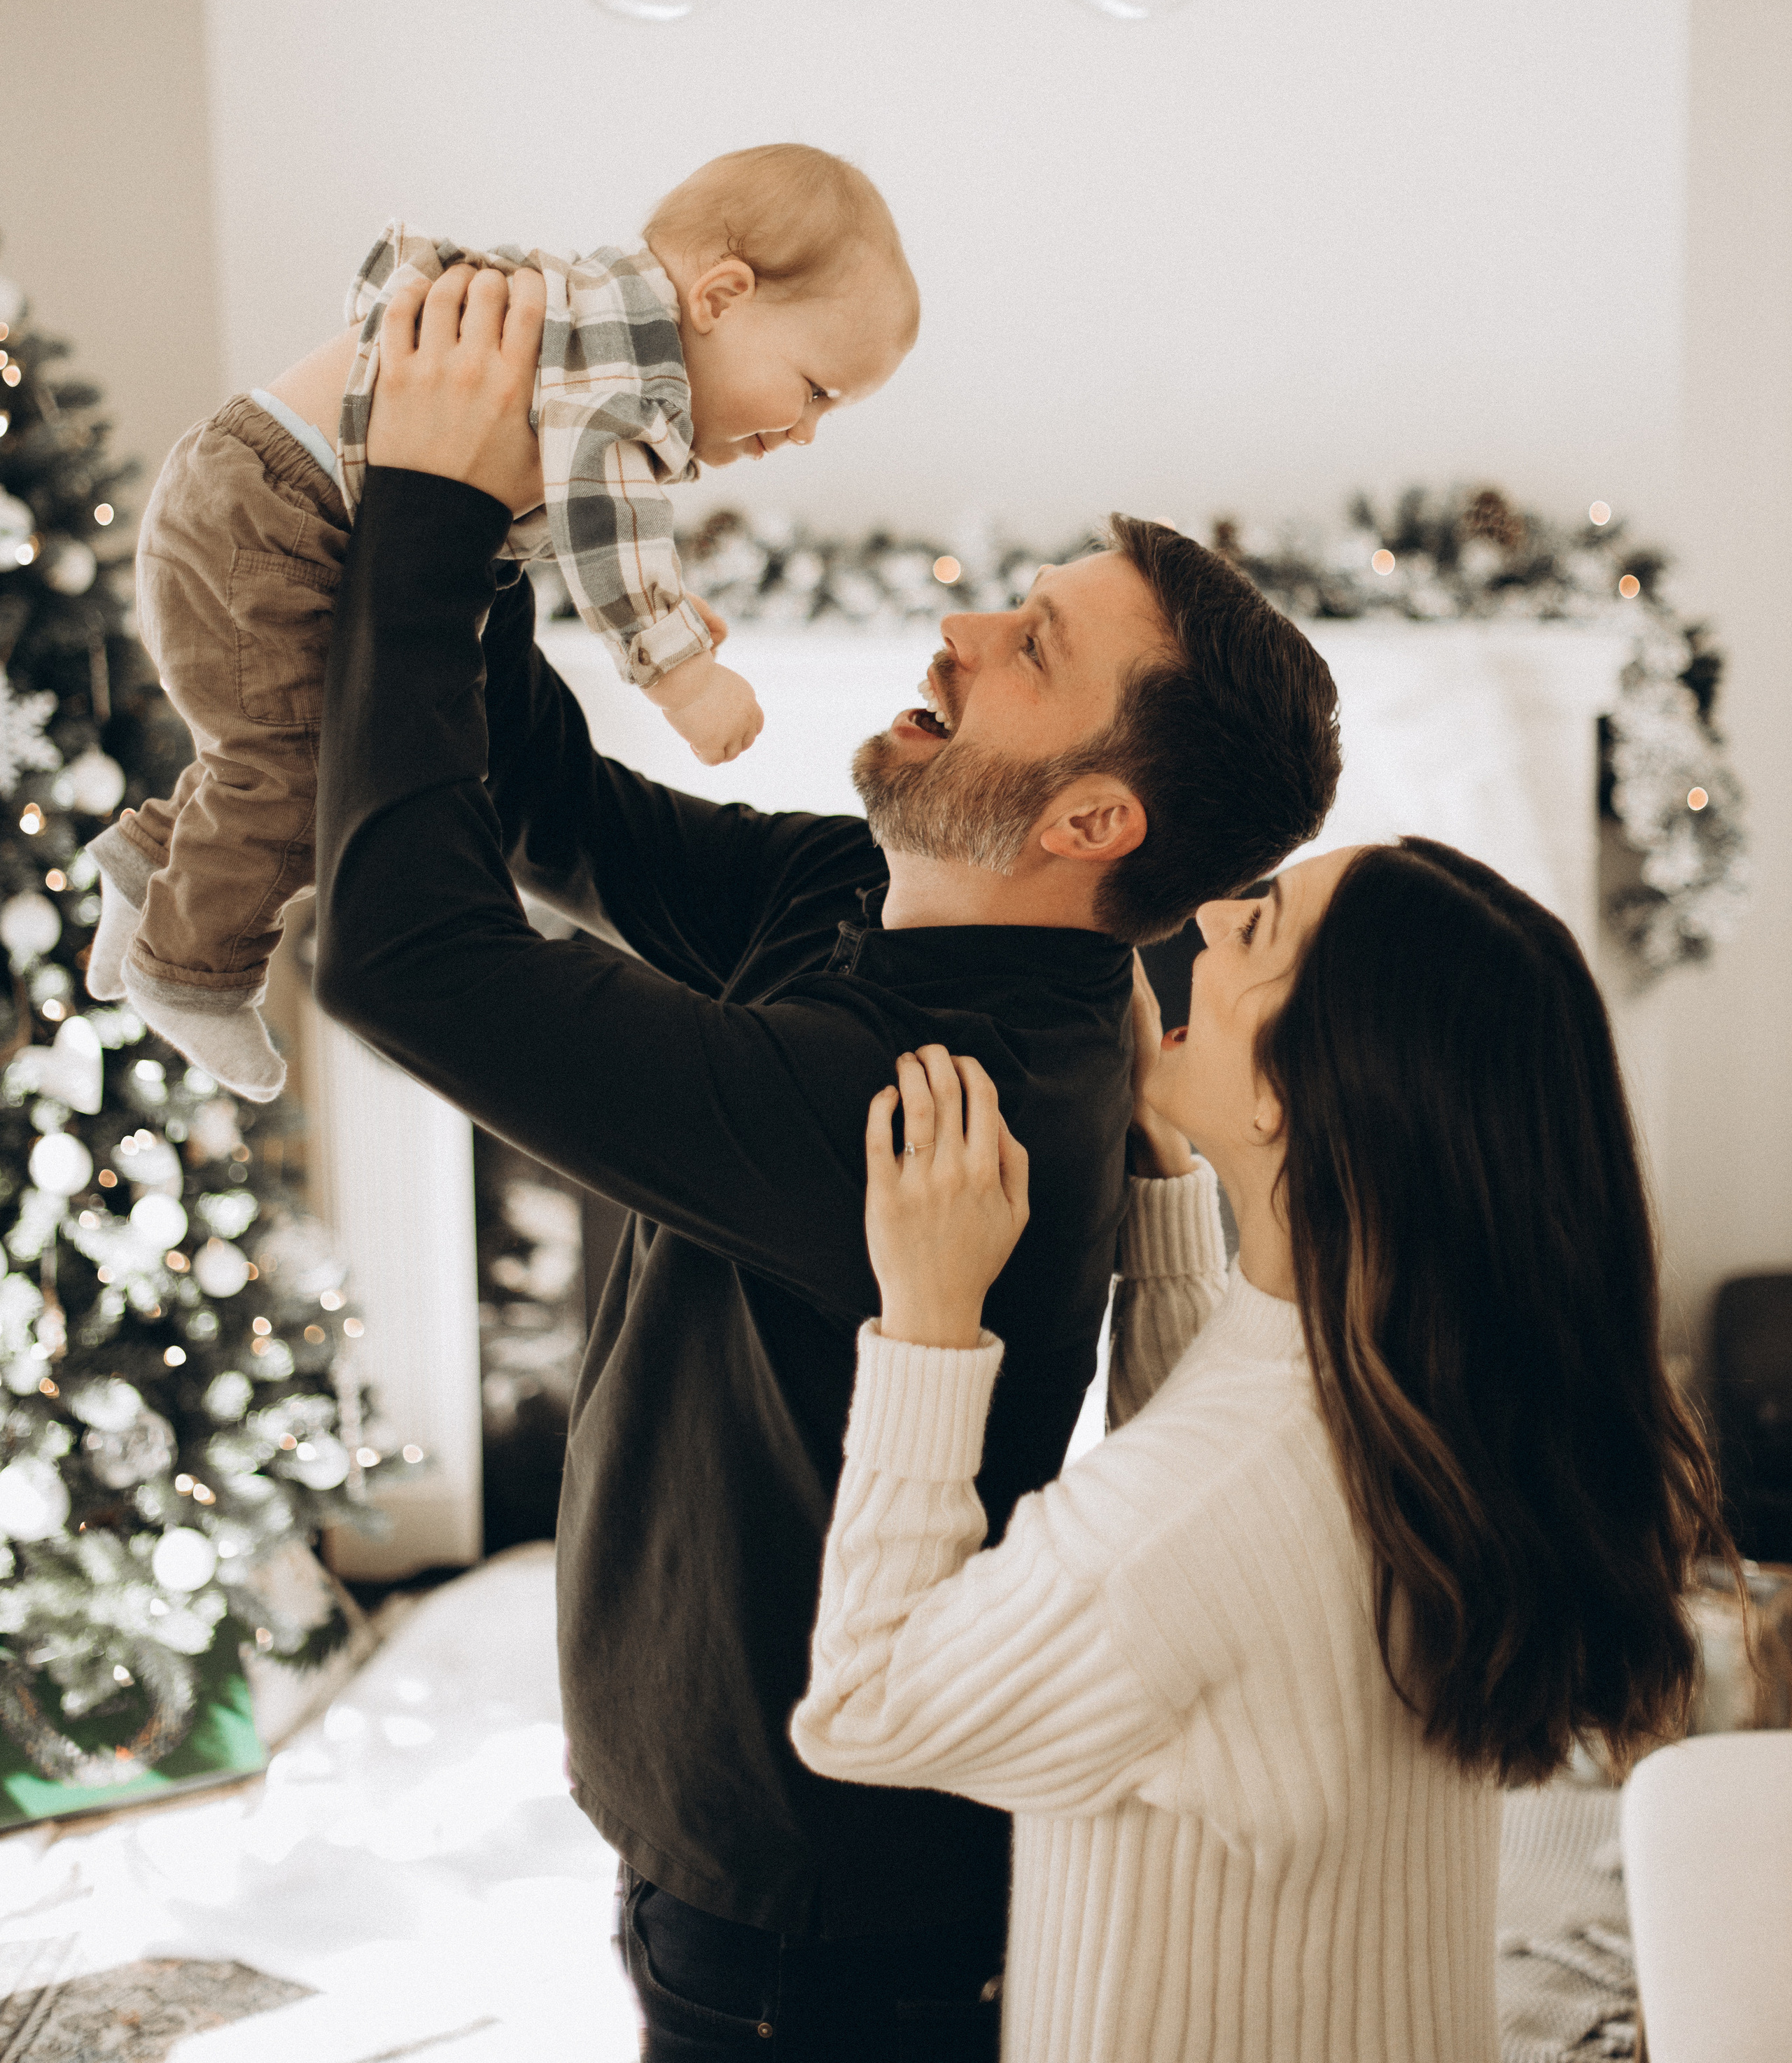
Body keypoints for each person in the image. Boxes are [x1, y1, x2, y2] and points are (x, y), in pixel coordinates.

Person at [307, 258, 1343, 2061]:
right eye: (1010, 604)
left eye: (1032, 653)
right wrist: (487, 514)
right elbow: (548, 805)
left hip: (811, 1923)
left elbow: (408, 955)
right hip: (723, 1849)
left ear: (1094, 822)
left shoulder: (930, 1095)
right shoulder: (872, 895)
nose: (958, 633)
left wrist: (418, 518)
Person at [792, 839, 1735, 2062]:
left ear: (1296, 1091)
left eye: (1263, 928)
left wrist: (928, 1320)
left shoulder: (1194, 1517)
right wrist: (1169, 1162)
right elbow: (1224, 1457)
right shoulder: (1431, 1393)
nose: (1216, 913)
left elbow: (866, 1708)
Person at [87, 144, 918, 1098]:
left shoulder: (591, 325)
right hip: (275, 518)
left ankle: (151, 869)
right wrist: (681, 675)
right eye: (815, 390)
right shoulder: (625, 381)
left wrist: (664, 601)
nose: (805, 431)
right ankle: (191, 971)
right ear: (723, 297)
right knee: (309, 774)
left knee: (282, 751)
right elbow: (609, 517)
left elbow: (575, 511)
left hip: (252, 494)